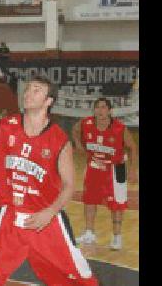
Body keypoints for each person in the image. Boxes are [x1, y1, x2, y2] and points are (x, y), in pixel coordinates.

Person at [0, 76, 99, 285]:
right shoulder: (6, 125)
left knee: (80, 278)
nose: (28, 94)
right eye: (28, 89)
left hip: (45, 219)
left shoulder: (59, 139)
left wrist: (50, 212)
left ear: (48, 101)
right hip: (9, 216)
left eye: (36, 90)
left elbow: (69, 185)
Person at [72, 98, 139, 250]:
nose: (100, 111)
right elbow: (75, 130)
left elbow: (133, 147)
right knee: (89, 200)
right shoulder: (86, 123)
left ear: (109, 111)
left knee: (117, 205)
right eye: (97, 107)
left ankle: (117, 237)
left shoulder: (119, 128)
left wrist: (134, 170)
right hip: (94, 167)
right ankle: (89, 233)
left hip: (117, 169)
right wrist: (77, 143)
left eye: (103, 107)